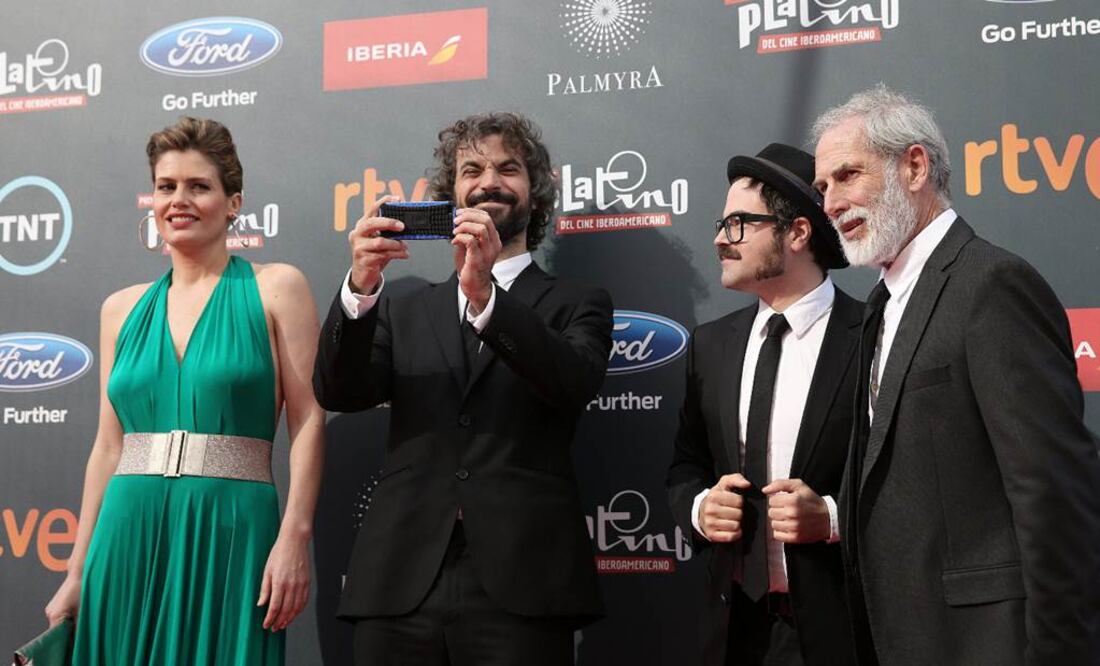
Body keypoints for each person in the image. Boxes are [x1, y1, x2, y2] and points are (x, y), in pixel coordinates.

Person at [811, 86, 1100, 665]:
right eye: (822, 188)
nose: (831, 202)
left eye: (847, 176)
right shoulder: (878, 306)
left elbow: (1051, 495)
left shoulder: (991, 285)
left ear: (914, 166)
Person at [312, 111, 611, 665]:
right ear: (449, 194)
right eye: (471, 168)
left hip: (524, 583)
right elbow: (339, 390)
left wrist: (486, 300)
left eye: (508, 168)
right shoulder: (402, 305)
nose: (489, 180)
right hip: (399, 581)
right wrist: (359, 287)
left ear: (536, 191)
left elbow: (573, 382)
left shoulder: (578, 302)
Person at [43, 117, 326, 665]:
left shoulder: (277, 287)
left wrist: (294, 537)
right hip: (127, 531)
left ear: (234, 202)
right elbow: (108, 448)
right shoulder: (120, 309)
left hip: (233, 531)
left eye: (199, 186)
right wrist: (77, 570)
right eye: (166, 186)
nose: (179, 199)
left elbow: (309, 420)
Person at [668, 144, 859, 666]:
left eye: (737, 224)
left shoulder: (871, 337)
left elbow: (909, 478)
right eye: (720, 224)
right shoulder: (710, 345)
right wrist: (700, 510)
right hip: (731, 631)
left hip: (838, 629)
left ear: (797, 233)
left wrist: (833, 518)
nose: (718, 240)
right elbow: (685, 464)